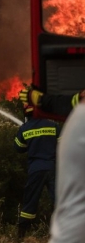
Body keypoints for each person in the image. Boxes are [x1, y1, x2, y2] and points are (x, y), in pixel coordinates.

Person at [14, 104, 59, 240]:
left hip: (35, 169)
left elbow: (18, 148)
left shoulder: (24, 128)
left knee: (29, 202)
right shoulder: (53, 125)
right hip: (52, 169)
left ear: (26, 115)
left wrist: (31, 142)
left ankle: (21, 236)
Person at [50, 103, 85, 243]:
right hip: (51, 165)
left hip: (37, 167)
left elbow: (19, 146)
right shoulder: (54, 127)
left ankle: (21, 232)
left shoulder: (79, 119)